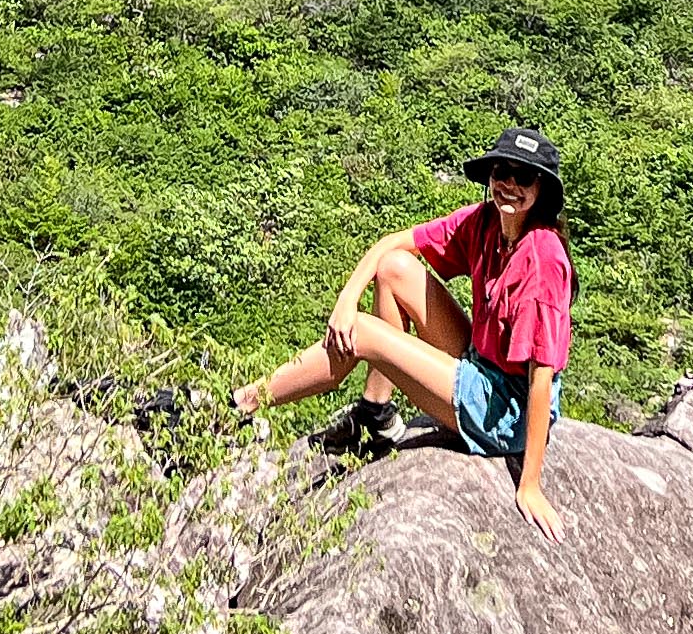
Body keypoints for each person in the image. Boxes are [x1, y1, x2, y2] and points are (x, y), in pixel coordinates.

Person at [230, 124, 576, 538]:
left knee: (360, 332)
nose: (510, 185)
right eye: (502, 171)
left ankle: (242, 404)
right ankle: (375, 411)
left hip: (504, 408)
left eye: (524, 178)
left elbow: (541, 378)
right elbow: (393, 245)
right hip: (483, 363)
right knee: (395, 269)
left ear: (542, 191)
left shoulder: (542, 262)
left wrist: (530, 484)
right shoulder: (486, 223)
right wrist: (347, 296)